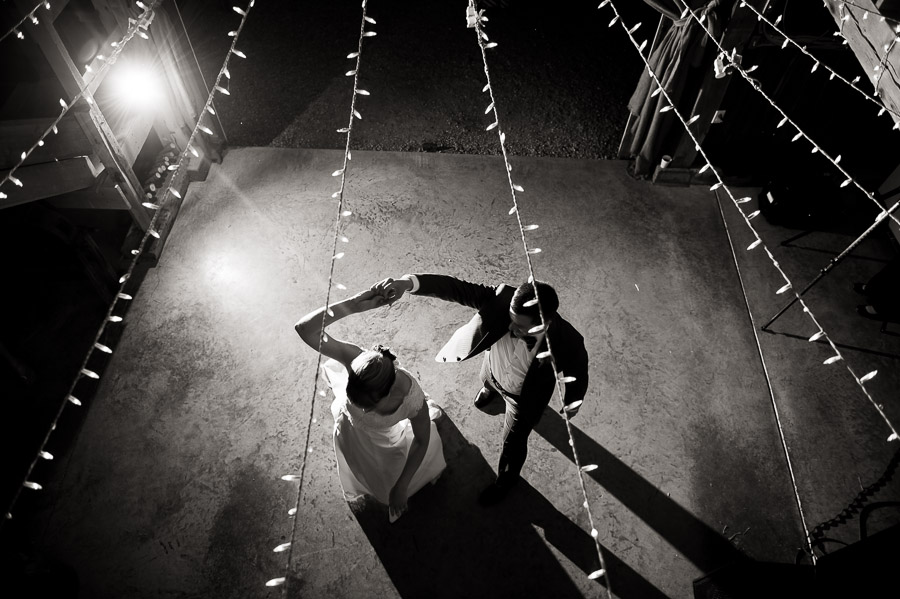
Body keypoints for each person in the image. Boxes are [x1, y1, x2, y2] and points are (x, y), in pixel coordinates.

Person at [377, 273, 589, 506]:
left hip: (522, 398)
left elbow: (578, 371)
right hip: (492, 369)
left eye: (519, 327)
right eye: (510, 319)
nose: (509, 327)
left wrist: (573, 402)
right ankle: (490, 390)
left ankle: (505, 482)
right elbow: (455, 288)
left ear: (544, 323)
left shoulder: (568, 341)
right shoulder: (501, 299)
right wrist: (408, 283)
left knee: (513, 444)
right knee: (487, 380)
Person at [294, 286, 446, 522]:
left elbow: (422, 440)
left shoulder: (411, 398)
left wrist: (401, 486)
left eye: (369, 406)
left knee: (389, 477)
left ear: (388, 394)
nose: (363, 412)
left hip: (385, 441)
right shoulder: (353, 358)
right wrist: (352, 305)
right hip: (352, 432)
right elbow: (305, 330)